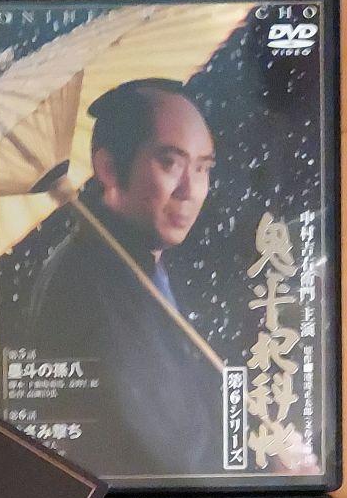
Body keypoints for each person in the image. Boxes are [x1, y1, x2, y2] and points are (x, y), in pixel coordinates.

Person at [27, 78, 223, 476]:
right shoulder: (88, 280)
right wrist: (257, 465)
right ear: (109, 168)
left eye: (202, 168)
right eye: (170, 163)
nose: (190, 190)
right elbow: (170, 451)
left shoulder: (138, 263)